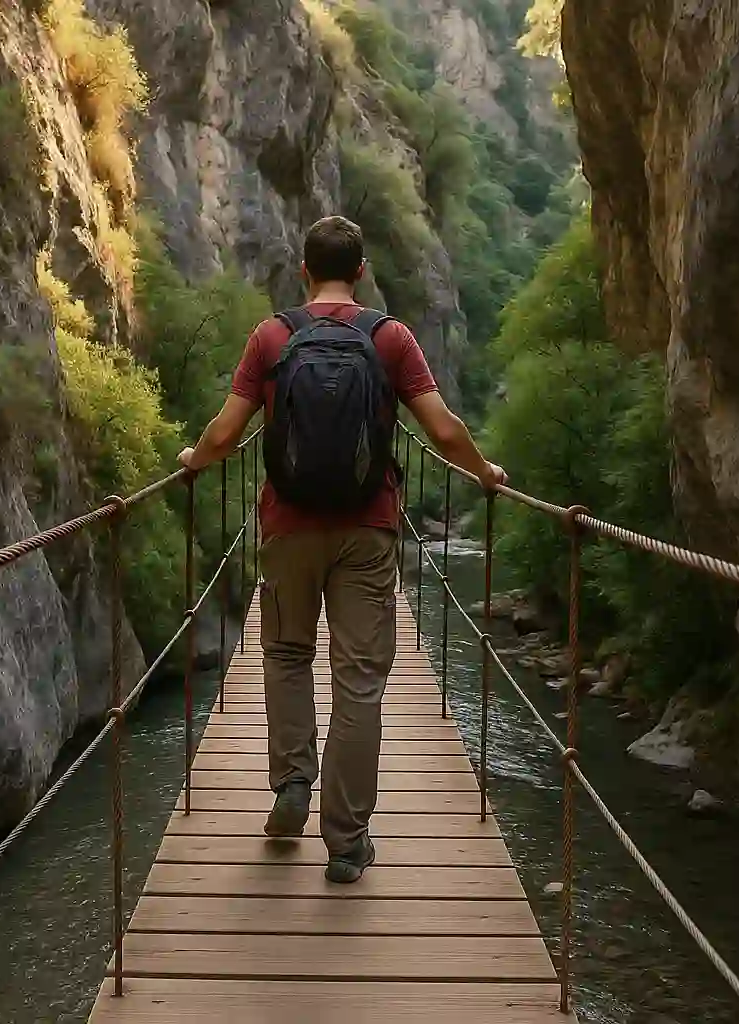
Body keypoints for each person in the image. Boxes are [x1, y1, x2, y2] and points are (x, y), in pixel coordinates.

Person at [178, 215, 506, 883]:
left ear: (303, 269)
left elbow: (224, 432)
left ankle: (291, 784)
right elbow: (443, 429)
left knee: (287, 654)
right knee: (359, 683)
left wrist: (192, 458)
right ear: (360, 272)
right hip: (368, 526)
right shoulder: (390, 338)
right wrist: (485, 473)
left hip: (288, 526)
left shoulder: (273, 335)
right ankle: (347, 842)